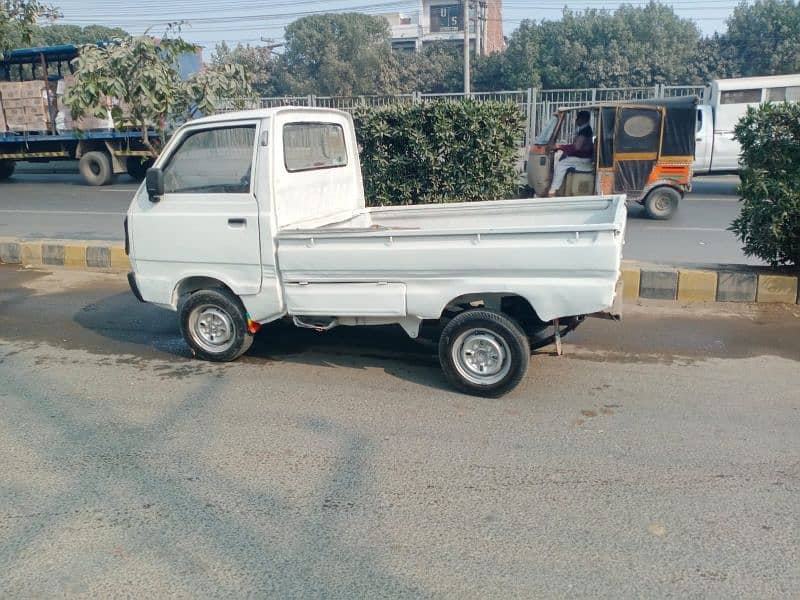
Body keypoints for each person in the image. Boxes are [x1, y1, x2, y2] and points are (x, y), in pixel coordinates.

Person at [548, 110, 594, 197]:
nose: (576, 120)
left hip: (584, 159)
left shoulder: (585, 131)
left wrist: (560, 147)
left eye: (578, 118)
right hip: (583, 157)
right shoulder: (585, 129)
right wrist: (563, 148)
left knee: (561, 164)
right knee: (564, 158)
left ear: (583, 119)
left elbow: (577, 147)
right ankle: (560, 188)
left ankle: (553, 190)